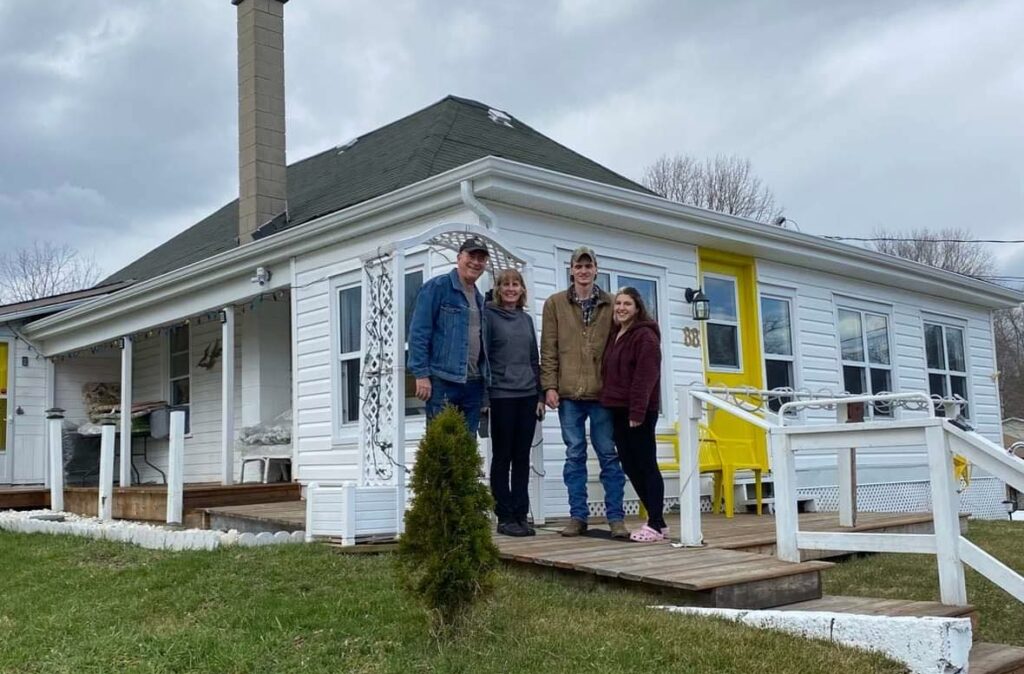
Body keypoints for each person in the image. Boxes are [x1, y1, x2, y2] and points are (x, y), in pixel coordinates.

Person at [540, 246, 628, 539]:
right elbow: (548, 349)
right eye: (579, 266)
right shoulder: (554, 304)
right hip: (568, 395)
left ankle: (616, 518)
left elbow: (623, 346)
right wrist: (549, 386)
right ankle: (578, 517)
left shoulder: (612, 304)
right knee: (574, 454)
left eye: (588, 266)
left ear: (596, 269)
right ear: (571, 270)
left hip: (603, 395)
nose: (583, 271)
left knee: (608, 454)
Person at [483, 268, 546, 537]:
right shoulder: (488, 316)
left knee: (522, 457)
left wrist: (541, 395)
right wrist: (485, 398)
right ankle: (504, 515)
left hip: (528, 395)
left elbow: (535, 358)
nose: (511, 288)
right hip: (501, 396)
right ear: (498, 288)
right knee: (503, 456)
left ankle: (521, 514)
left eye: (516, 284)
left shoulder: (526, 319)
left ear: (522, 290)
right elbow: (482, 357)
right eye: (506, 284)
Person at [600, 287, 666, 542]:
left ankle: (656, 523)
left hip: (638, 412)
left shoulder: (645, 336)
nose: (621, 308)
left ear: (637, 307)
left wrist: (637, 411)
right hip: (618, 409)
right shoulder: (618, 333)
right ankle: (657, 521)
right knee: (630, 465)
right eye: (618, 303)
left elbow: (646, 377)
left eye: (627, 303)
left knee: (646, 465)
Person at [408, 236, 490, 433]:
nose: (476, 262)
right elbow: (419, 332)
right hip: (442, 381)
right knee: (441, 447)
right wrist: (421, 374)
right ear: (459, 257)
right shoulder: (437, 287)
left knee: (466, 448)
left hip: (473, 383)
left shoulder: (480, 299)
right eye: (471, 256)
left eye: (481, 258)